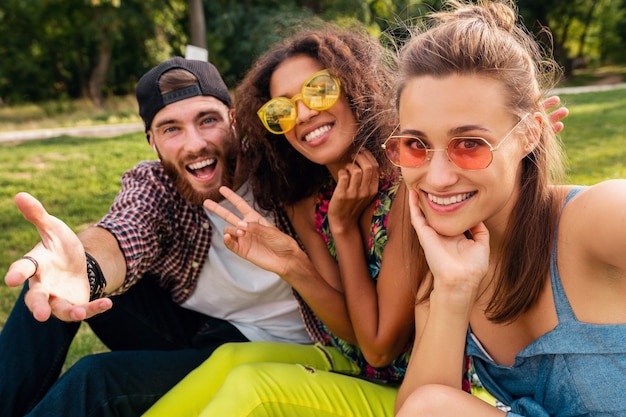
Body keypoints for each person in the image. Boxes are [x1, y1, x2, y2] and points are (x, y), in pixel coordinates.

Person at [145, 24, 570, 416]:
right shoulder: (306, 202)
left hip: (423, 392)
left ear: (353, 87)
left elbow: (380, 346)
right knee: (228, 359)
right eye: (283, 110)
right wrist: (294, 263)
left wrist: (344, 230)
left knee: (251, 386)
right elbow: (351, 331)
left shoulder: (414, 182)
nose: (305, 115)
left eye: (318, 91)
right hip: (353, 364)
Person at [0, 57, 315, 417]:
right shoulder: (157, 185)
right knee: (51, 280)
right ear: (152, 141)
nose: (194, 144)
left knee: (95, 379)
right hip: (190, 327)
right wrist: (85, 269)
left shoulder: (280, 171)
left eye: (207, 120)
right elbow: (124, 231)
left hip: (268, 347)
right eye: (171, 129)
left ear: (234, 118)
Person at [388, 1, 626, 416]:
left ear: (530, 134)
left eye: (469, 144)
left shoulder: (597, 218)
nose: (438, 177)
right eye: (416, 145)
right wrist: (453, 288)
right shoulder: (446, 269)